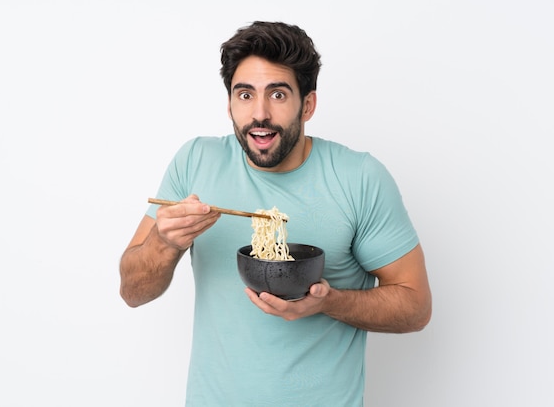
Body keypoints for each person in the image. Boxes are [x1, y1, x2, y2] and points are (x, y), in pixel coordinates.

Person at [119, 21, 432, 406]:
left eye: (278, 94)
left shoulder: (359, 177)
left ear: (308, 104)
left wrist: (327, 301)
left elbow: (416, 308)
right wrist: (163, 243)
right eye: (245, 94)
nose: (260, 114)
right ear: (230, 103)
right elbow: (132, 291)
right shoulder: (196, 162)